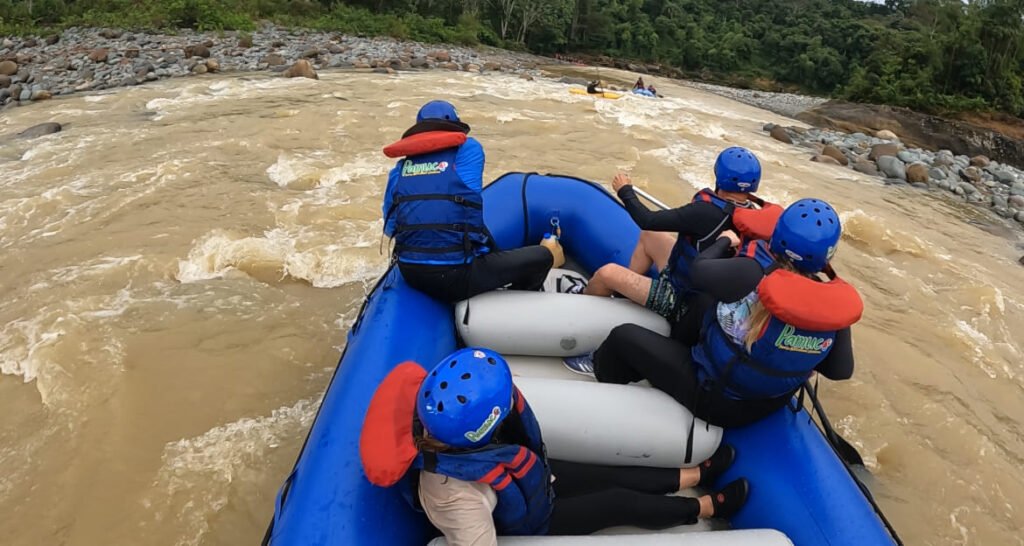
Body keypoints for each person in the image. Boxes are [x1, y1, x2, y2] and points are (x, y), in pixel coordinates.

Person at [359, 348, 749, 545]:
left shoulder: (448, 426)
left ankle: (695, 474)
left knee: (608, 474)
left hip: (528, 480)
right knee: (616, 502)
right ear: (479, 431)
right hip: (529, 520)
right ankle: (704, 506)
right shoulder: (450, 494)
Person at [585, 199, 863, 428]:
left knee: (623, 337)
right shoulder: (834, 306)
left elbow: (700, 270)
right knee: (706, 304)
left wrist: (723, 242)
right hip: (765, 404)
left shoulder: (751, 271)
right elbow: (839, 371)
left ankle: (597, 371)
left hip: (712, 399)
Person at [565, 147, 780, 375]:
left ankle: (585, 317)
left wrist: (625, 190)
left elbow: (648, 219)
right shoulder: (756, 217)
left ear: (719, 175)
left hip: (681, 300)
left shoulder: (704, 212)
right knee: (651, 237)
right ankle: (622, 294)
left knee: (607, 272)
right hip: (704, 292)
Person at [382, 100, 564, 303]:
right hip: (456, 276)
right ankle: (518, 303)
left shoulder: (398, 171)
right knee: (542, 256)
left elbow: (390, 229)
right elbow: (467, 196)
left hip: (411, 273)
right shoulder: (470, 149)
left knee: (479, 231)